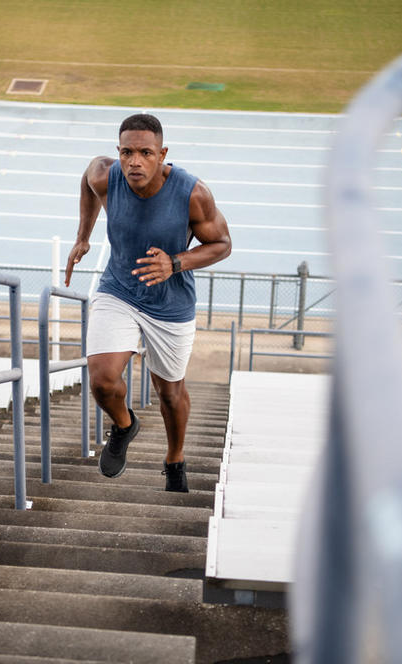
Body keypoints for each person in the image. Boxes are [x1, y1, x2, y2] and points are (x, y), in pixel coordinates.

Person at [64, 113, 232, 492]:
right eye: (126, 152)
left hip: (170, 305)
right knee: (103, 381)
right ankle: (124, 425)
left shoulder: (193, 194)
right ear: (118, 153)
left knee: (170, 394)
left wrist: (176, 262)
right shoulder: (106, 176)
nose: (134, 161)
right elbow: (87, 182)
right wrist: (82, 236)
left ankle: (174, 459)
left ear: (162, 154)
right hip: (119, 290)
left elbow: (222, 245)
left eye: (145, 152)